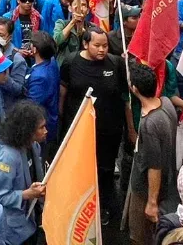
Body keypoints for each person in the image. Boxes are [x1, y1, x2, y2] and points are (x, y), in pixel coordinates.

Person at [59, 25, 130, 226]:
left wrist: (130, 130)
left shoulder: (115, 64)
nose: (102, 50)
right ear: (85, 43)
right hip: (80, 132)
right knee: (81, 172)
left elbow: (124, 99)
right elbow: (62, 94)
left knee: (105, 172)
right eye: (97, 45)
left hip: (109, 132)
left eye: (105, 46)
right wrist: (62, 125)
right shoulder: (71, 62)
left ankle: (103, 208)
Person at [127, 62, 179, 243]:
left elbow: (154, 166)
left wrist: (151, 202)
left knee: (140, 236)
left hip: (145, 189)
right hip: (169, 183)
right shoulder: (166, 103)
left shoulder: (150, 124)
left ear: (134, 88)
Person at [0, 100, 47, 245]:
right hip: (14, 232)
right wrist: (27, 194)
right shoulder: (7, 158)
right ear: (28, 130)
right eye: (41, 128)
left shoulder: (34, 147)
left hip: (32, 222)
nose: (45, 131)